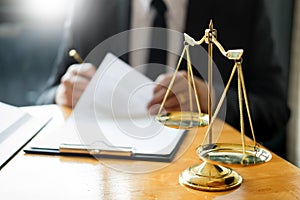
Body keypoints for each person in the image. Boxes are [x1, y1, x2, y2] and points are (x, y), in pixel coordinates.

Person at [37, 0, 290, 157]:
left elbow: (275, 110)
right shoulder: (89, 5)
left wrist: (211, 99)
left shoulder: (242, 6)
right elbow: (45, 97)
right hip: (104, 174)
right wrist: (64, 94)